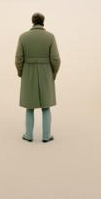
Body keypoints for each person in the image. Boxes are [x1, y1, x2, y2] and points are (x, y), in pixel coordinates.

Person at [15, 12, 61, 143]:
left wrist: (21, 73)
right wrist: (53, 73)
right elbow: (56, 59)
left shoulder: (23, 37)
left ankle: (28, 135)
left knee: (29, 107)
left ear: (32, 22)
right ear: (43, 21)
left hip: (28, 72)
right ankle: (46, 136)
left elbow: (18, 59)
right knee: (46, 106)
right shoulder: (50, 37)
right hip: (46, 72)